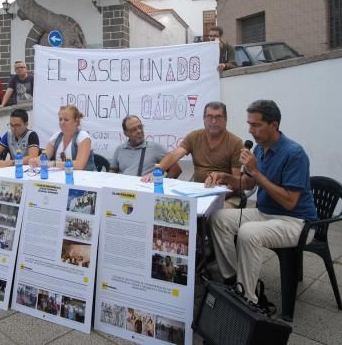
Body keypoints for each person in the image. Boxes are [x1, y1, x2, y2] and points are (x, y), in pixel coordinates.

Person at [208, 100, 318, 306]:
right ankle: (233, 279)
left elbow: (289, 202)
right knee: (218, 217)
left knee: (249, 233)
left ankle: (246, 299)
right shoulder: (259, 149)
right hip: (266, 213)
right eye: (249, 124)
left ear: (274, 125)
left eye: (256, 125)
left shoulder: (294, 153)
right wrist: (226, 177)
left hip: (296, 221)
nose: (250, 130)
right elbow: (249, 183)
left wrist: (256, 171)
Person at [142, 102, 243, 189]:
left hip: (225, 193)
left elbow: (236, 181)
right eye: (209, 117)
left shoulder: (236, 143)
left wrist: (221, 196)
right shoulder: (195, 136)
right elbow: (175, 155)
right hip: (198, 190)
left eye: (218, 117)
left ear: (225, 119)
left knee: (216, 212)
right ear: (203, 119)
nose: (213, 121)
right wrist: (156, 172)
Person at [112, 115, 182, 178]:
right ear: (126, 133)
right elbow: (112, 170)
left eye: (140, 127)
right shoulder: (120, 149)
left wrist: (161, 185)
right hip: (123, 190)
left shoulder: (156, 148)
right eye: (134, 129)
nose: (139, 131)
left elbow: (176, 169)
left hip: (144, 189)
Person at [33, 104, 95, 170]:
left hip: (84, 178)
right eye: (60, 119)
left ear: (76, 122)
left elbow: (80, 165)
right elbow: (44, 157)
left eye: (66, 120)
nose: (62, 122)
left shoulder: (83, 137)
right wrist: (35, 161)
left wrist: (55, 164)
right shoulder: (56, 137)